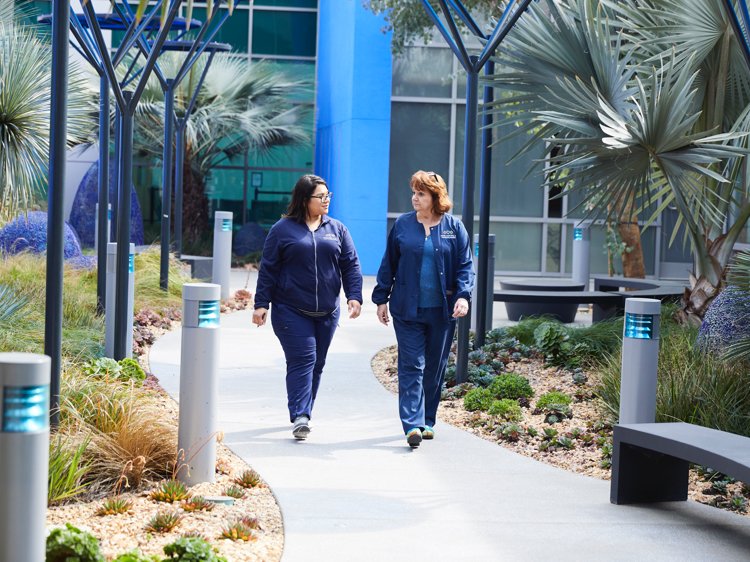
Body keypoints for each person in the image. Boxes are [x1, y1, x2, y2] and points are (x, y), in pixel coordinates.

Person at [253, 174, 363, 440]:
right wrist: (261, 304)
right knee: (303, 359)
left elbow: (350, 264)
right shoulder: (283, 229)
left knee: (317, 363)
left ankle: (304, 411)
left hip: (327, 311)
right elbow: (268, 268)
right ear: (304, 199)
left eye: (328, 196)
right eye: (321, 196)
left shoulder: (337, 229)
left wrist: (354, 296)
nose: (326, 201)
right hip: (290, 309)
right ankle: (301, 415)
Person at [373, 170, 474, 448]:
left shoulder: (454, 227)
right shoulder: (403, 225)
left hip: (442, 311)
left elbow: (466, 266)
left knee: (434, 367)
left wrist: (463, 296)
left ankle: (427, 420)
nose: (414, 198)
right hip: (407, 309)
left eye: (421, 194)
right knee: (412, 365)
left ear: (435, 197)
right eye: (414, 192)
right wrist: (381, 298)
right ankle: (412, 425)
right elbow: (388, 264)